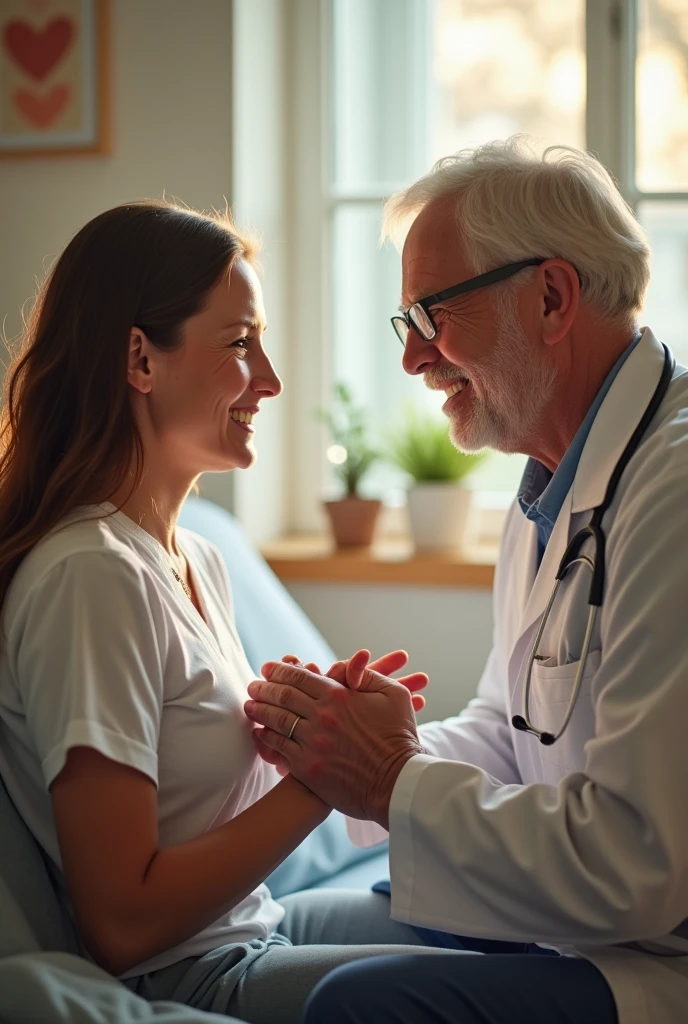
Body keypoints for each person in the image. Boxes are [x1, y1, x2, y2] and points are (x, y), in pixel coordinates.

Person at [244, 136, 688, 1024]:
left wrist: (391, 779)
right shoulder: (553, 480)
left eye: (432, 315)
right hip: (583, 917)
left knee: (352, 1005)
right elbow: (508, 732)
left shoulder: (672, 496)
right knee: (283, 928)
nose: (414, 359)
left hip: (653, 952)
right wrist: (354, 747)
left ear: (552, 297)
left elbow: (641, 864)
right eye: (406, 324)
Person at [0, 201, 464, 1024]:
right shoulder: (89, 579)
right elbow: (123, 924)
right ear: (139, 358)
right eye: (241, 344)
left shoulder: (195, 556)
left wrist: (317, 728)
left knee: (522, 929)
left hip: (260, 925)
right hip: (191, 976)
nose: (272, 380)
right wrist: (322, 782)